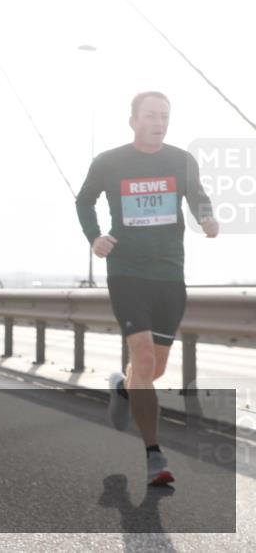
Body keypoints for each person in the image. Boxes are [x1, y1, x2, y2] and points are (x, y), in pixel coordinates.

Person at [75, 91, 217, 487]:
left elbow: (198, 198)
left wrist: (207, 219)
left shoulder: (180, 160)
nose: (159, 122)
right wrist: (95, 237)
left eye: (165, 116)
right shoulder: (109, 161)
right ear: (133, 119)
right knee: (141, 356)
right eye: (151, 115)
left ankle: (122, 387)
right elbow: (84, 201)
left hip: (169, 274)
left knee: (152, 370)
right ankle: (154, 454)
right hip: (126, 272)